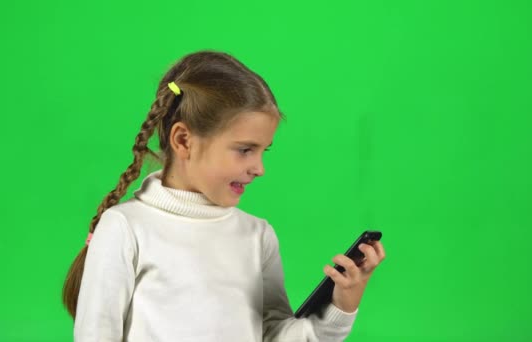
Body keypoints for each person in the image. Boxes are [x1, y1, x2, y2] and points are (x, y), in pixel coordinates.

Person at [62, 50, 386, 342]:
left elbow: (276, 336)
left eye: (263, 151)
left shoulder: (257, 237)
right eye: (245, 150)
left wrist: (343, 305)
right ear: (183, 140)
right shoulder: (125, 228)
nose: (259, 168)